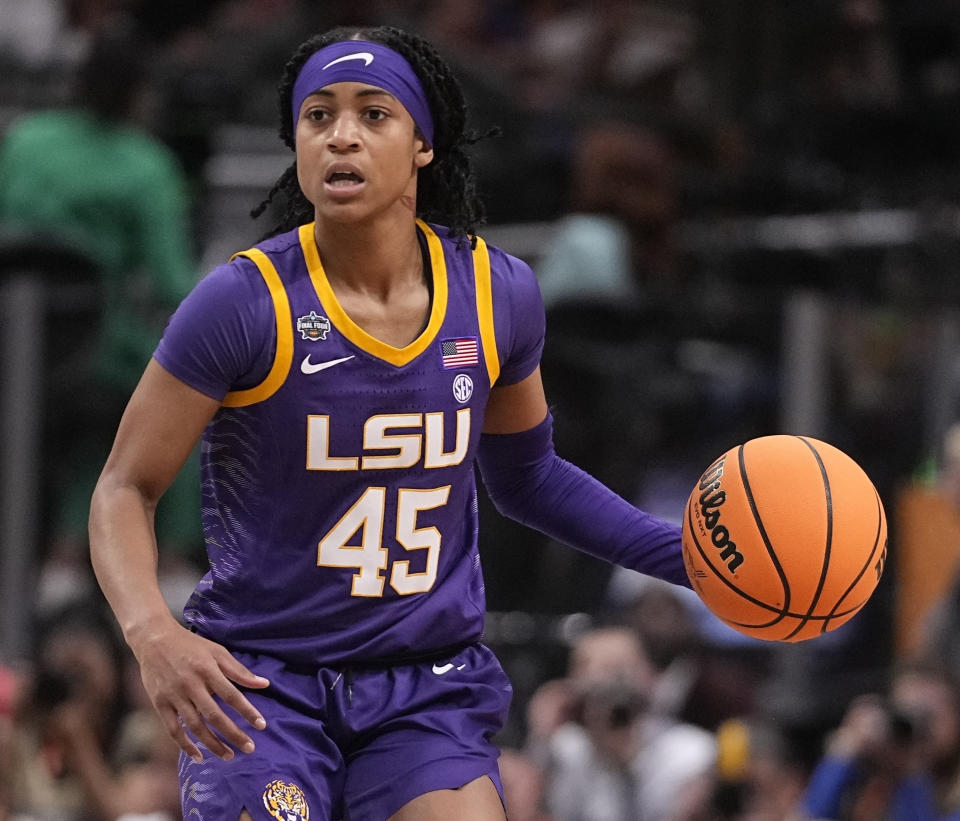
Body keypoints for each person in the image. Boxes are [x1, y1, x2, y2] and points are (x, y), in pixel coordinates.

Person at [88, 24, 691, 821]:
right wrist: (151, 633)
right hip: (266, 684)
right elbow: (125, 486)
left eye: (374, 114)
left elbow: (529, 477)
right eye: (319, 116)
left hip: (422, 685)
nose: (342, 133)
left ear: (422, 145)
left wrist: (687, 558)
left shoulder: (494, 291)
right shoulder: (243, 302)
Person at [0, 19, 201, 563]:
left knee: (94, 421)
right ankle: (174, 568)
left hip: (13, 348)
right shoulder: (146, 166)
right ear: (139, 93)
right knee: (174, 404)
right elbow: (172, 284)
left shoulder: (24, 141)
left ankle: (61, 568)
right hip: (90, 348)